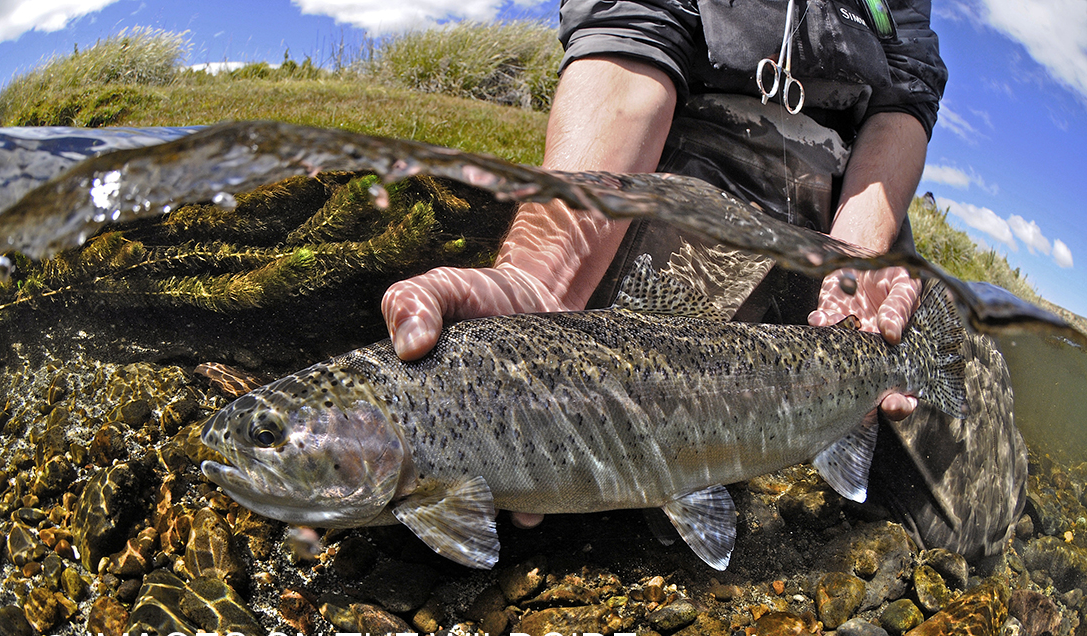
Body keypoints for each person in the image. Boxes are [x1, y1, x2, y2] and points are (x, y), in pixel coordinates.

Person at [381, 0, 949, 528]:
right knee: (567, 435)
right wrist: (546, 270)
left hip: (855, 187)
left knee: (953, 509)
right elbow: (633, 21)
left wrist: (856, 258)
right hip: (684, 142)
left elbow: (906, 93)